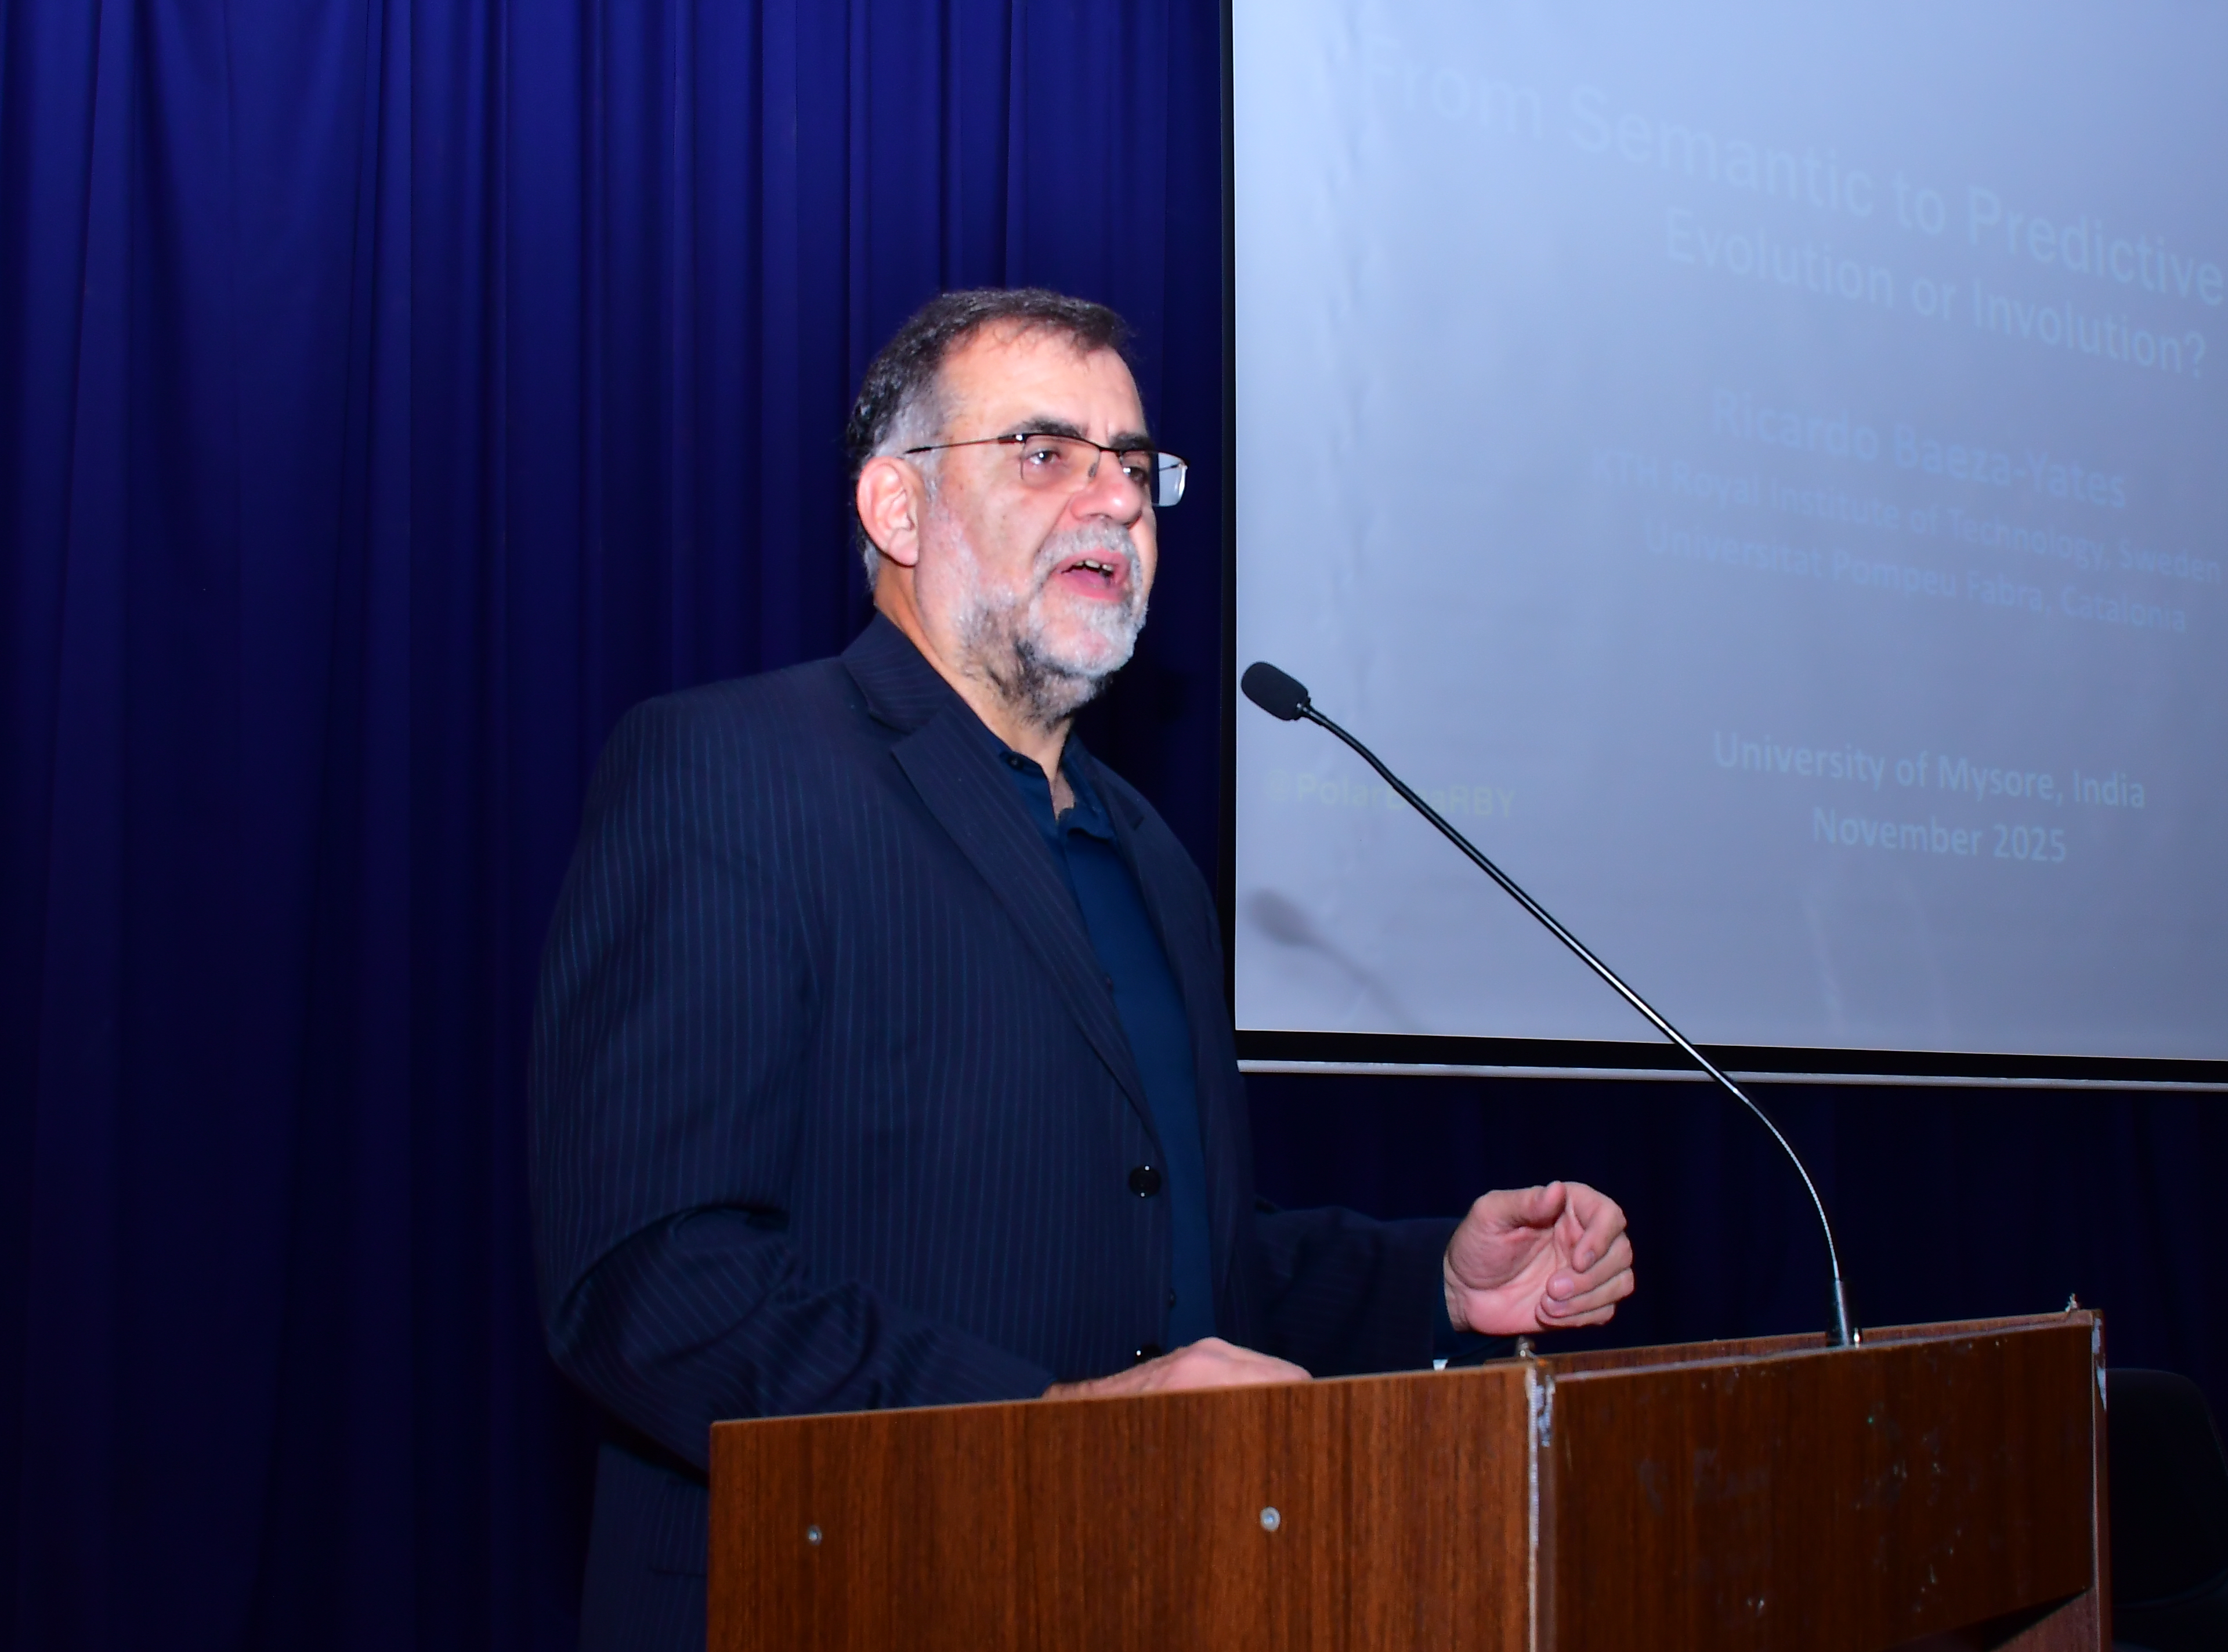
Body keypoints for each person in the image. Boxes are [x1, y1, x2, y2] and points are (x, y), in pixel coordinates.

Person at [530, 288, 1636, 1650]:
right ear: (896, 507)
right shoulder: (735, 772)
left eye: (1135, 465)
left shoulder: (1150, 853)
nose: (1116, 501)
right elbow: (650, 1279)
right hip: (837, 1594)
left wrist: (1436, 1285)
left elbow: (1176, 1260)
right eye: (1046, 452)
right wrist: (1047, 1426)